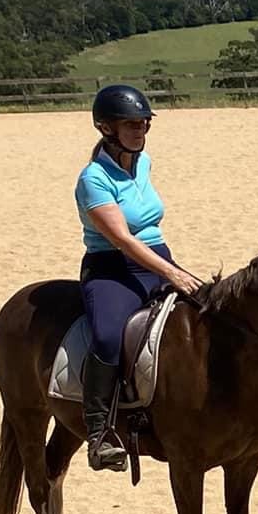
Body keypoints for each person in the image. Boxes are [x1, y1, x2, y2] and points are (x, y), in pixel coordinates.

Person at [75, 84, 199, 471]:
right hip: (113, 268)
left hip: (158, 257)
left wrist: (169, 267)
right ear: (106, 128)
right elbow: (123, 240)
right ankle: (99, 434)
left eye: (144, 123)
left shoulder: (143, 163)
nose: (140, 130)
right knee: (109, 335)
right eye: (131, 124)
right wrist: (172, 274)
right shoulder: (93, 179)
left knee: (210, 313)